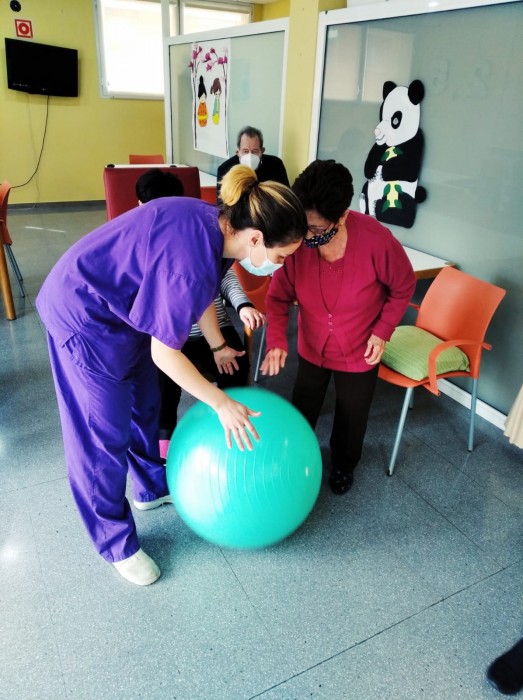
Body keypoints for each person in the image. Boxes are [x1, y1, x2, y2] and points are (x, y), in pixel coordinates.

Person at [36, 165, 307, 586]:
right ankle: (114, 543)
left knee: (146, 406)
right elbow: (166, 351)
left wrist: (217, 346)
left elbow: (200, 296)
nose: (279, 266)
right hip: (83, 314)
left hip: (125, 316)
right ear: (256, 238)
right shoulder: (190, 256)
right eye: (282, 257)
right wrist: (220, 402)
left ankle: (149, 488)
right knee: (102, 436)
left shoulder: (218, 229)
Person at [260, 159, 416, 495]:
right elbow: (277, 297)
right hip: (312, 345)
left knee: (351, 415)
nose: (306, 236)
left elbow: (403, 286)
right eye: (303, 226)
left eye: (316, 229)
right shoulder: (297, 243)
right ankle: (294, 456)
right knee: (304, 405)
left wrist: (382, 331)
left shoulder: (376, 241)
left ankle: (344, 465)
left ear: (343, 216)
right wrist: (276, 340)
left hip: (360, 348)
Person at [134, 169, 266, 461]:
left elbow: (219, 283)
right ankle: (164, 439)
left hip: (213, 330)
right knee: (162, 383)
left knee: (236, 364)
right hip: (173, 337)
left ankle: (236, 426)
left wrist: (241, 308)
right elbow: (162, 339)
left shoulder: (207, 238)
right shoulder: (159, 248)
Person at [216, 126, 289, 203]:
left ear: (262, 151)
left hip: (269, 209)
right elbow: (222, 204)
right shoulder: (225, 169)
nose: (250, 156)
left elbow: (286, 197)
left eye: (255, 151)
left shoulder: (276, 164)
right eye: (245, 151)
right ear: (238, 152)